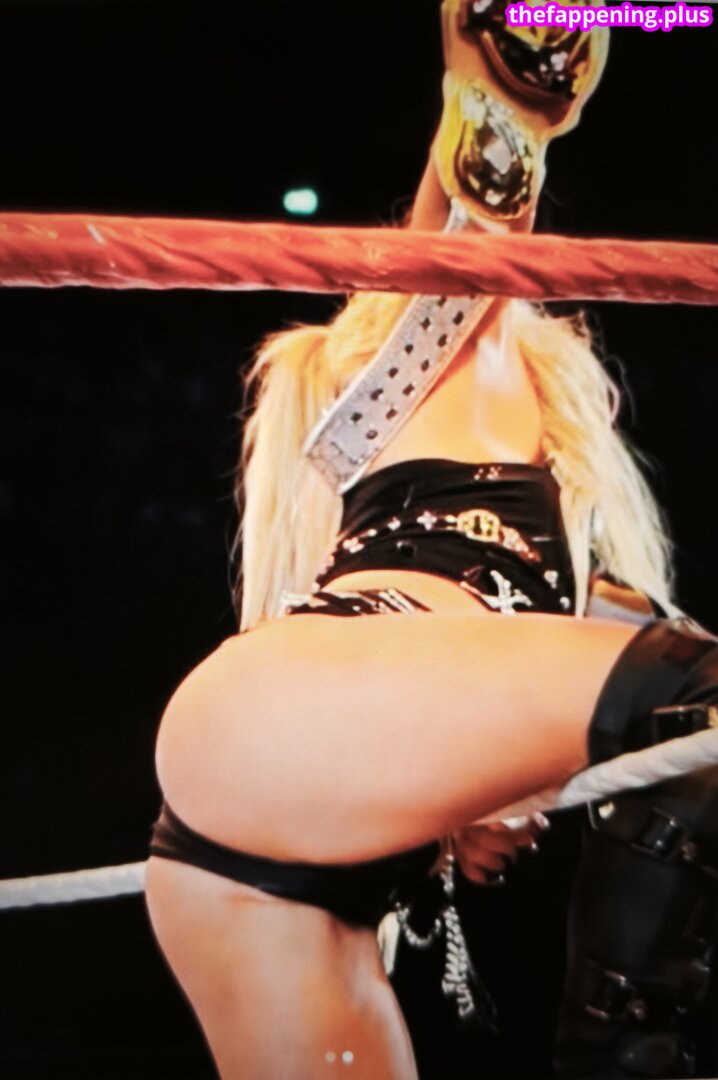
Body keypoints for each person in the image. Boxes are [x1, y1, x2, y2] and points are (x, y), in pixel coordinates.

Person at [145, 3, 718, 1077]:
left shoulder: (559, 592)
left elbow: (645, 717)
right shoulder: (443, 377)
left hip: (266, 856)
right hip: (282, 727)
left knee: (685, 707)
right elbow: (474, 232)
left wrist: (469, 795)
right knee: (692, 694)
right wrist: (512, 92)